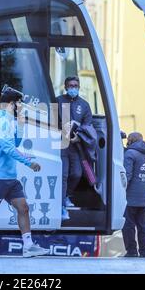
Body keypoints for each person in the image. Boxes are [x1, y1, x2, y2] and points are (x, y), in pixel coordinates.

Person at [0, 89, 49, 258]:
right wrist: (29, 163)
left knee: (23, 208)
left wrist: (20, 125)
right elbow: (8, 148)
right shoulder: (0, 123)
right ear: (12, 104)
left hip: (10, 177)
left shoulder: (9, 122)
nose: (21, 107)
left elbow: (16, 142)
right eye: (19, 103)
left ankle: (28, 246)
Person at [56, 76, 93, 220]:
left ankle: (66, 196)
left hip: (76, 145)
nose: (73, 88)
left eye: (76, 85)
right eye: (71, 85)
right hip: (60, 144)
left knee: (77, 174)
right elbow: (51, 121)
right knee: (64, 175)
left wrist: (79, 137)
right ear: (65, 87)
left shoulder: (84, 105)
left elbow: (88, 126)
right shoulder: (58, 100)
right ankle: (62, 207)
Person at [122, 132, 145, 258]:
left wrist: (121, 190)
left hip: (130, 197)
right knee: (142, 226)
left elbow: (127, 176)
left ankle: (131, 251)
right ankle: (144, 251)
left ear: (130, 140)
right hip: (144, 197)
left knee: (128, 225)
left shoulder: (130, 154)